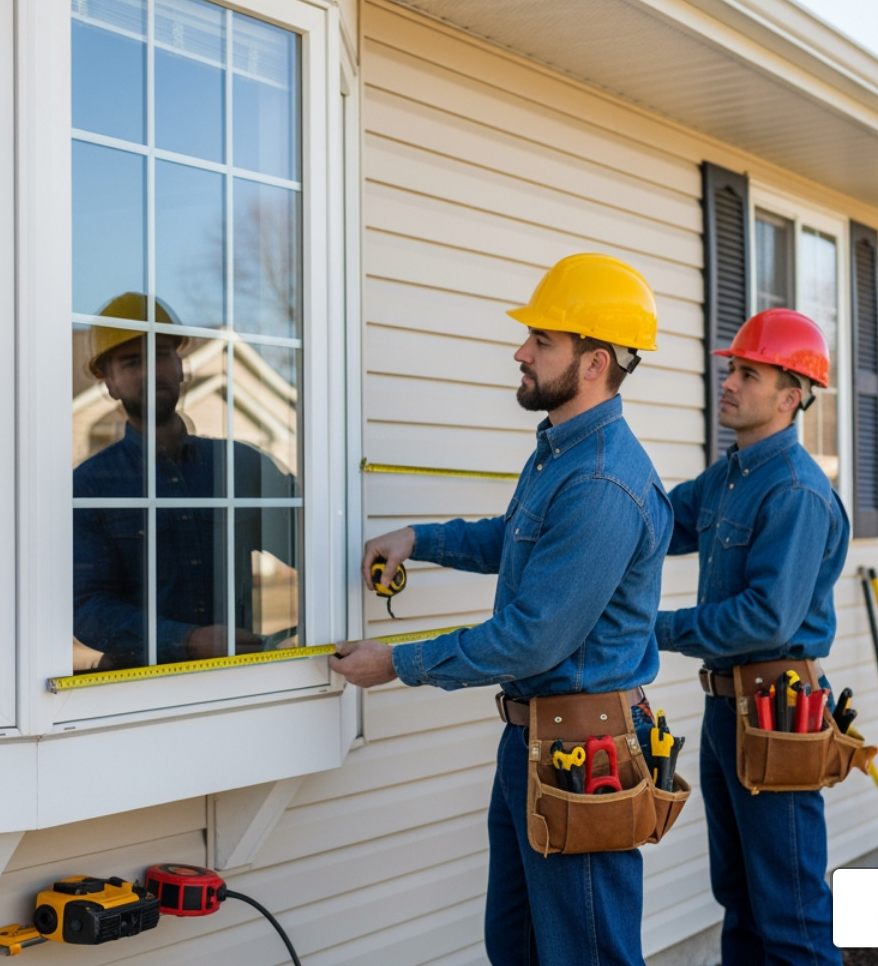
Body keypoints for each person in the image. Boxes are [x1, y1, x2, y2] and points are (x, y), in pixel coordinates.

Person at [330, 253, 673, 966]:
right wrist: (419, 538)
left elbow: (532, 639)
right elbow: (510, 538)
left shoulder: (603, 481)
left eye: (542, 340)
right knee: (515, 947)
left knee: (586, 955)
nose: (521, 352)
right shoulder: (560, 455)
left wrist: (398, 662)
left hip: (585, 753)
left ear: (593, 363)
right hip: (539, 744)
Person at [653, 307, 849, 966]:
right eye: (731, 369)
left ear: (791, 397)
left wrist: (648, 629)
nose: (729, 383)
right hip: (724, 710)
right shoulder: (728, 477)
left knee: (789, 911)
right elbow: (652, 526)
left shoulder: (795, 490)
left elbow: (764, 619)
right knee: (739, 898)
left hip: (775, 713)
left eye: (748, 373)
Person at [72, 292, 295, 672]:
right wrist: (186, 640)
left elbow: (315, 544)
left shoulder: (241, 466)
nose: (150, 370)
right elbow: (87, 608)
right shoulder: (90, 487)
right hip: (133, 692)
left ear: (180, 366)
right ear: (108, 383)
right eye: (131, 362)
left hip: (239, 682)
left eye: (160, 354)